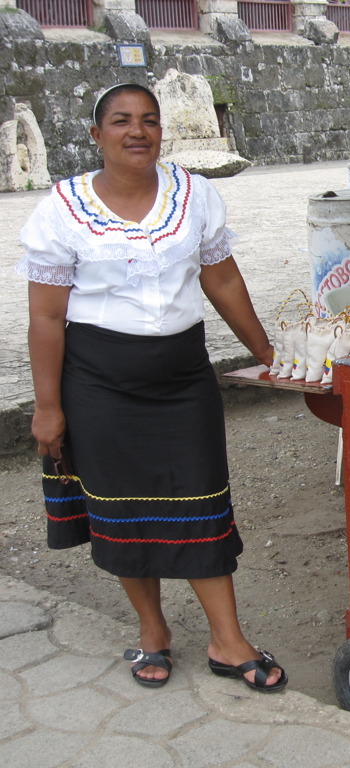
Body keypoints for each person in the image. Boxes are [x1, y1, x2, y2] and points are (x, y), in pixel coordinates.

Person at [17, 83, 286, 692]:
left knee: (201, 500)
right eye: (121, 121)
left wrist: (267, 352)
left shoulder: (194, 196)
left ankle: (227, 640)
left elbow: (221, 280)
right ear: (96, 135)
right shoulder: (63, 209)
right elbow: (46, 318)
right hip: (98, 384)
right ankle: (152, 634)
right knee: (123, 511)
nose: (137, 132)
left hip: (182, 379)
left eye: (149, 121)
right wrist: (49, 407)